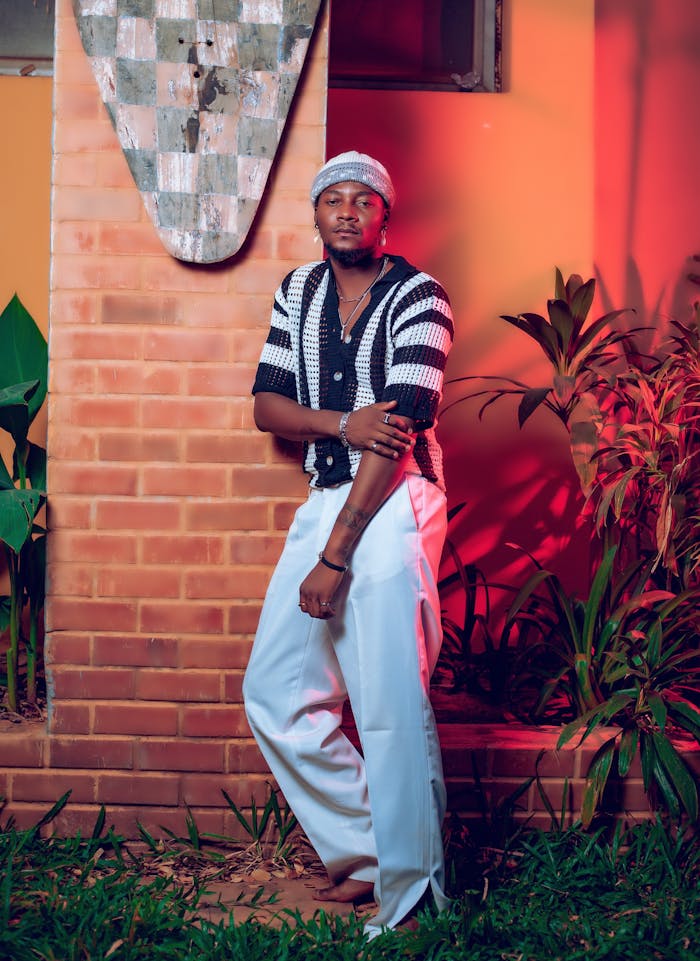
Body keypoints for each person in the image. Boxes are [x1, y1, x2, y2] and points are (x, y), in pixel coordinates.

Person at [243, 150, 454, 938]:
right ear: (316, 213)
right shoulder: (297, 291)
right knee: (276, 691)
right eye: (333, 198)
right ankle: (370, 855)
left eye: (364, 199)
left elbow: (395, 431)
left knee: (389, 700)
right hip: (327, 490)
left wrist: (335, 555)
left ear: (384, 215)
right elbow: (267, 406)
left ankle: (415, 899)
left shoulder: (421, 296)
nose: (347, 210)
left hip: (395, 499)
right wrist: (339, 422)